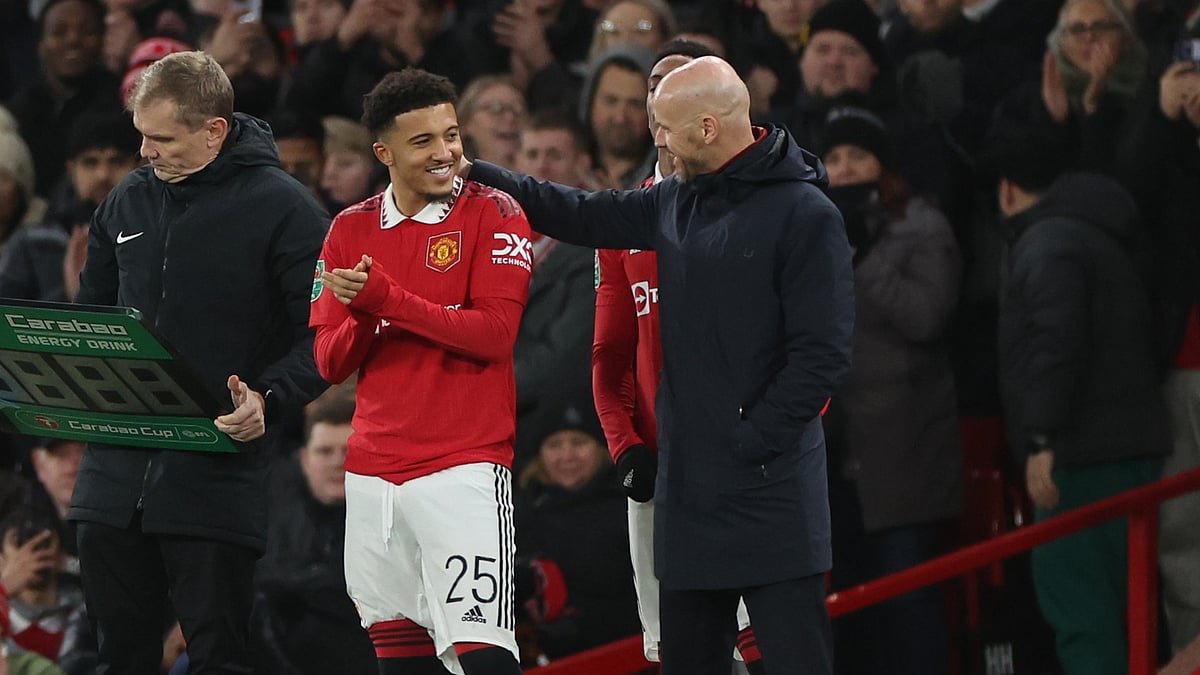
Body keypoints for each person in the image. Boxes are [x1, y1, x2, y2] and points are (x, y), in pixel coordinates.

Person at [468, 54, 854, 675]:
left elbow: (822, 356)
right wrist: (476, 172)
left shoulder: (806, 215)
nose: (657, 140)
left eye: (666, 127)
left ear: (707, 128)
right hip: (687, 497)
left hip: (772, 494)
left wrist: (751, 439)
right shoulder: (674, 200)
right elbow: (580, 212)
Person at [69, 50, 330, 673]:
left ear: (214, 129)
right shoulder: (124, 202)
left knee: (219, 659)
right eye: (141, 136)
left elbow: (326, 337)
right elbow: (92, 323)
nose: (145, 153)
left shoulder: (285, 208)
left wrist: (268, 396)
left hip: (215, 475)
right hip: (112, 478)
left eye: (161, 139)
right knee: (117, 658)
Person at [309, 67, 531, 675]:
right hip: (373, 474)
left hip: (462, 466)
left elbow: (494, 334)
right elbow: (330, 360)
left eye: (451, 135)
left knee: (483, 657)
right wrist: (362, 316)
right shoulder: (347, 229)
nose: (445, 153)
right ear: (382, 152)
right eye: (423, 141)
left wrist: (387, 301)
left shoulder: (497, 214)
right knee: (399, 660)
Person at [591, 38, 766, 673]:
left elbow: (809, 347)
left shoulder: (763, 207)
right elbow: (609, 356)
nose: (661, 97)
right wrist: (625, 447)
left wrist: (772, 437)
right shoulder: (625, 221)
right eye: (654, 88)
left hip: (749, 467)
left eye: (679, 83)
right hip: (661, 478)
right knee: (680, 656)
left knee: (764, 647)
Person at [987, 135, 1169, 674]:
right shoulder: (1099, 234)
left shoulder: (1046, 242)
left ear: (1007, 191)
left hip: (1078, 459)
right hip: (1131, 450)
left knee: (1082, 611)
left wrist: (1042, 438)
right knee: (1132, 610)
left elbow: (1056, 342)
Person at [816, 104, 963, 675]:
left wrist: (861, 256)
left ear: (885, 166)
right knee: (849, 606)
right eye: (834, 158)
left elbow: (926, 316)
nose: (846, 168)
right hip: (834, 453)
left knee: (908, 599)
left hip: (906, 452)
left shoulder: (921, 226)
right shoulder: (809, 231)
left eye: (858, 155)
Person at [254, 389, 374, 674]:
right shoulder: (273, 509)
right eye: (325, 451)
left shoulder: (391, 524)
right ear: (304, 460)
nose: (337, 462)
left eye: (348, 451)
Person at [512, 402, 640, 663]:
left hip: (631, 657)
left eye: (579, 442)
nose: (567, 456)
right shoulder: (516, 514)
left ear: (602, 448)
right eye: (555, 445)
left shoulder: (632, 509)